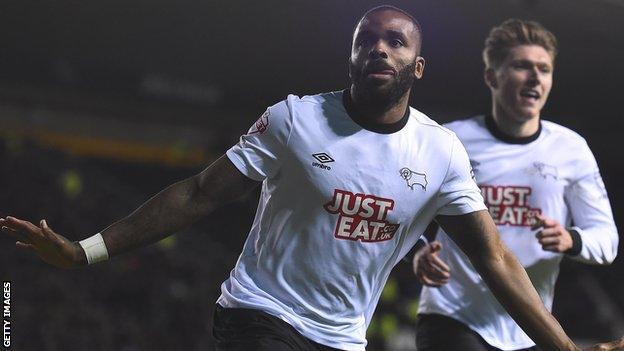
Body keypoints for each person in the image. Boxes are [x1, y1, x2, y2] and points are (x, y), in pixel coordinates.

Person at [1, 6, 622, 351]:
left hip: (344, 340)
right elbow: (197, 194)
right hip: (259, 316)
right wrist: (85, 252)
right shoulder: (295, 119)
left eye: (396, 42)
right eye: (368, 40)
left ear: (419, 66)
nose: (380, 48)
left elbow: (496, 261)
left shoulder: (441, 152)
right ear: (352, 56)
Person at [412, 19, 620, 351]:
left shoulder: (571, 149)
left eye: (544, 69)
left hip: (531, 328)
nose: (536, 77)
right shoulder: (451, 141)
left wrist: (572, 239)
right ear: (492, 76)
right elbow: (405, 210)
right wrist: (420, 248)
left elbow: (607, 241)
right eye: (522, 66)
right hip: (452, 316)